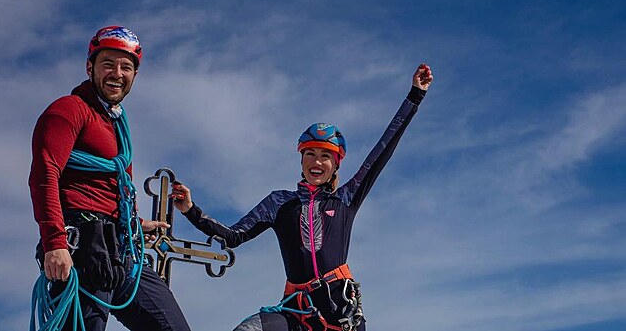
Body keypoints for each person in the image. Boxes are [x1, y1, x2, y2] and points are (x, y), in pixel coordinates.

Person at [171, 63, 434, 331]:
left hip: (341, 313)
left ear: (336, 164)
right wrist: (191, 209)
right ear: (301, 159)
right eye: (310, 154)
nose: (316, 162)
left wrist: (415, 96)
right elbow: (233, 237)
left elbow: (381, 151)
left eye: (325, 156)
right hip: (296, 312)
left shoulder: (345, 198)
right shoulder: (278, 203)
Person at [29, 26, 192, 331]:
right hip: (83, 248)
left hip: (123, 249)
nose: (117, 73)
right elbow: (44, 174)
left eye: (126, 67)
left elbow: (116, 187)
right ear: (90, 67)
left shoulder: (117, 124)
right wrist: (55, 242)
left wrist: (135, 223)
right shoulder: (68, 110)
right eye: (108, 64)